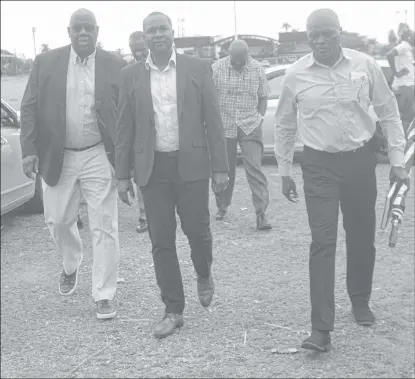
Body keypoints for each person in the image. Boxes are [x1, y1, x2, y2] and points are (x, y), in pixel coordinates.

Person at [274, 8, 409, 352]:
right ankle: (321, 329)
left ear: (340, 33)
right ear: (307, 37)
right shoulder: (295, 75)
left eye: (327, 34)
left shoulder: (365, 66)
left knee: (361, 236)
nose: (320, 40)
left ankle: (360, 298)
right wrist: (285, 170)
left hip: (361, 161)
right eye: (313, 35)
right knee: (322, 240)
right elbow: (286, 124)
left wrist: (397, 160)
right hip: (318, 164)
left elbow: (389, 111)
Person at [115, 11, 229, 339]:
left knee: (198, 232)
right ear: (144, 37)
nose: (158, 34)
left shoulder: (196, 68)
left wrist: (220, 167)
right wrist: (122, 174)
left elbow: (213, 119)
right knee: (161, 240)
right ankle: (173, 309)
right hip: (153, 170)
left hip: (191, 165)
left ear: (173, 32)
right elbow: (125, 128)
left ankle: (204, 272)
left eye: (163, 28)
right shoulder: (130, 75)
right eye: (151, 31)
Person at [20, 8, 126, 320]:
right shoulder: (46, 63)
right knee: (57, 220)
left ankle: (103, 294)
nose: (83, 33)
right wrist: (29, 148)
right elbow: (28, 107)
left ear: (97, 31)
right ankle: (71, 263)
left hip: (97, 154)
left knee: (105, 225)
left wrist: (126, 159)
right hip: (59, 154)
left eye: (88, 28)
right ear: (68, 31)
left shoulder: (115, 65)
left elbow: (126, 112)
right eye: (77, 28)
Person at [212, 40, 272, 230]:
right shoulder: (217, 68)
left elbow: (263, 96)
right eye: (234, 60)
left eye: (242, 60)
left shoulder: (257, 69)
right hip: (224, 125)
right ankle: (222, 206)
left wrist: (260, 117)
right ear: (229, 54)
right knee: (223, 170)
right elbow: (210, 97)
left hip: (250, 124)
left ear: (247, 54)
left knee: (254, 168)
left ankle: (261, 214)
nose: (238, 64)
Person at [127, 31, 150, 233]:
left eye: (143, 50)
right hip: (139, 137)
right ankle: (144, 216)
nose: (139, 55)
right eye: (135, 52)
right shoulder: (128, 73)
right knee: (142, 179)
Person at [387, 27, 415, 136]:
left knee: (404, 116)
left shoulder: (406, 48)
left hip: (404, 86)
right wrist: (395, 73)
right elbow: (389, 54)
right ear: (408, 36)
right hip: (404, 87)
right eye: (412, 35)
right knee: (405, 117)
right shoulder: (404, 46)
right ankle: (400, 143)